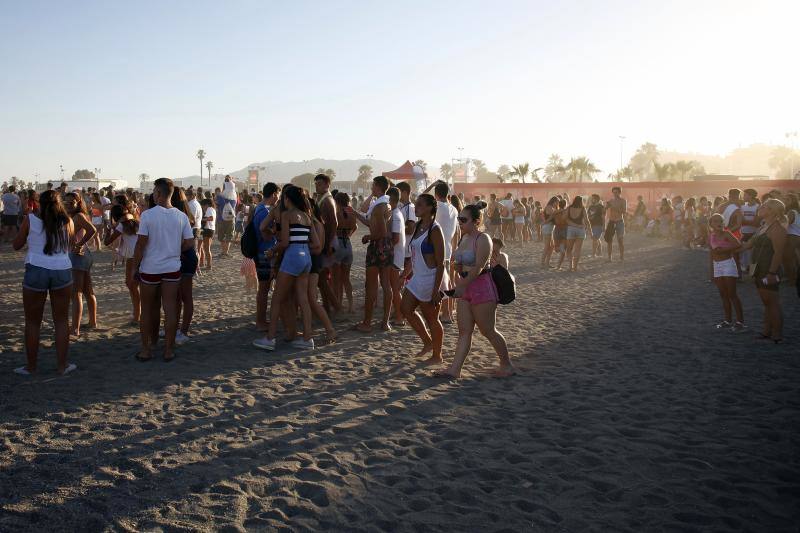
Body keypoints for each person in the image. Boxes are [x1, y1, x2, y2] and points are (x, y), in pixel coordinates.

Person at [434, 202, 514, 379]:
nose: (460, 222)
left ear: (476, 221)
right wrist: (457, 271)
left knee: (488, 330)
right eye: (458, 219)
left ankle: (506, 364)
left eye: (463, 219)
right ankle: (455, 370)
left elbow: (479, 267)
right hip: (466, 288)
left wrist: (460, 286)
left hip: (482, 289)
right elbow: (459, 263)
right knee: (464, 331)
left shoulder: (483, 239)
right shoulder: (464, 238)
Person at [12, 190, 76, 375]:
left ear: (40, 203)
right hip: (62, 270)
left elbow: (16, 245)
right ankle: (62, 366)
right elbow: (69, 246)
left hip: (36, 269)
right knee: (62, 321)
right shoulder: (68, 221)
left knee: (33, 322)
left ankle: (31, 366)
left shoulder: (31, 220)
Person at [132, 178, 195, 362]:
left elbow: (140, 244)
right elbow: (190, 242)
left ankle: (146, 349)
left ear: (158, 193)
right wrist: (175, 249)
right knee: (170, 309)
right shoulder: (181, 216)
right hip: (172, 268)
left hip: (151, 268)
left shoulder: (148, 215)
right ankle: (168, 349)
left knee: (148, 309)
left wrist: (135, 267)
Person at [253, 185, 319, 351]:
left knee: (277, 298)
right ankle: (307, 339)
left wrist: (272, 250)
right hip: (306, 258)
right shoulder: (307, 216)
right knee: (303, 300)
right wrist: (302, 248)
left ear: (287, 199)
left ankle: (270, 338)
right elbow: (317, 244)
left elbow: (284, 242)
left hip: (292, 256)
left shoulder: (287, 215)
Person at [400, 193, 445, 364]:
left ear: (429, 208)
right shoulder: (419, 225)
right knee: (405, 309)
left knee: (432, 318)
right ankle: (427, 342)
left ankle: (437, 355)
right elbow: (415, 255)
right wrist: (404, 274)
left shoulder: (435, 229)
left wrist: (436, 290)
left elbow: (441, 263)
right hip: (417, 277)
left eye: (419, 205)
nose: (416, 207)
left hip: (431, 279)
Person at [736, 198, 787, 343]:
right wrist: (726, 246)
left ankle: (777, 334)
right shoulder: (763, 226)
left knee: (772, 302)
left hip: (768, 269)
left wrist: (772, 273)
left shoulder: (778, 229)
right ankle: (766, 331)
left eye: (764, 206)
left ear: (771, 210)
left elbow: (778, 253)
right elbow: (748, 245)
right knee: (767, 303)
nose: (760, 208)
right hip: (758, 268)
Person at [351, 176, 394, 332]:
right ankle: (385, 322)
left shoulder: (378, 206)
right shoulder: (387, 204)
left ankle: (367, 323)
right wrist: (356, 215)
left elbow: (379, 231)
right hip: (387, 246)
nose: (371, 188)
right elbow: (374, 224)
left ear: (377, 187)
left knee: (371, 286)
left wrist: (368, 237)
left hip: (377, 246)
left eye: (373, 186)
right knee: (386, 285)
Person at [64, 192, 98, 338]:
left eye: (72, 202)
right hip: (83, 256)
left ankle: (75, 329)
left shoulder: (78, 216)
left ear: (78, 202)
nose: (68, 205)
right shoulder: (74, 216)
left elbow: (93, 230)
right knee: (87, 291)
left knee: (76, 293)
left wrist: (79, 244)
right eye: (66, 202)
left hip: (77, 256)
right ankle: (92, 322)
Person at [708, 214, 745, 331]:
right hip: (717, 265)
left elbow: (738, 244)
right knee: (723, 294)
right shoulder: (710, 236)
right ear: (711, 224)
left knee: (732, 294)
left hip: (728, 264)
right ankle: (727, 320)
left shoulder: (727, 234)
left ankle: (740, 322)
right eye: (715, 221)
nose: (719, 223)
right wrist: (712, 271)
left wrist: (724, 250)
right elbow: (711, 253)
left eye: (721, 221)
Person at [104, 204, 140, 324]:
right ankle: (137, 312)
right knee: (132, 284)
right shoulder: (135, 220)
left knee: (132, 285)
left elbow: (107, 242)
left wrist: (108, 230)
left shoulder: (121, 225)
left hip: (132, 256)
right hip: (140, 254)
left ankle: (137, 315)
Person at [172, 188, 199, 345]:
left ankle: (183, 331)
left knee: (185, 296)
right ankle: (176, 328)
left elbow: (187, 242)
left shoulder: (182, 218)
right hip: (183, 256)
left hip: (185, 257)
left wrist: (174, 250)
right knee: (176, 297)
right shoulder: (184, 216)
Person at [430, 181, 459, 322]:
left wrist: (430, 186)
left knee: (443, 282)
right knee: (447, 281)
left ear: (436, 194)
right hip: (448, 248)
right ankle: (447, 312)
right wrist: (454, 249)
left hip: (438, 250)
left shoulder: (437, 206)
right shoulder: (454, 209)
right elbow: (456, 232)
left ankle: (447, 313)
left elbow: (420, 200)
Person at [313, 174, 340, 315]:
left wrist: (328, 243)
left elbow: (334, 222)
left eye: (320, 184)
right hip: (326, 240)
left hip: (327, 241)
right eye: (316, 183)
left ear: (327, 185)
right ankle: (329, 307)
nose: (317, 186)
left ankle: (335, 307)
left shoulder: (327, 200)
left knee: (322, 278)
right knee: (322, 279)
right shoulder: (322, 199)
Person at [254, 182, 279, 331]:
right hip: (265, 252)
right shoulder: (264, 211)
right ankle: (261, 321)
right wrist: (275, 231)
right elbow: (265, 235)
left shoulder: (259, 208)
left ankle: (261, 320)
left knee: (263, 288)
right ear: (275, 194)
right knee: (264, 289)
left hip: (262, 251)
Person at [332, 192, 356, 313]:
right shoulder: (351, 213)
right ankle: (351, 305)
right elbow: (355, 227)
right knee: (346, 279)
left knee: (336, 279)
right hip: (348, 244)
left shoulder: (336, 213)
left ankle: (339, 304)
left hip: (338, 243)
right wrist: (349, 234)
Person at [388, 187, 406, 326]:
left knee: (394, 289)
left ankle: (399, 317)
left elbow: (395, 239)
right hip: (397, 256)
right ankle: (398, 315)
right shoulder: (397, 212)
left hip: (395, 256)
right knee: (394, 288)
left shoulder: (395, 214)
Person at [564, 196, 590, 271]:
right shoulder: (582, 208)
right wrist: (589, 229)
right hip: (580, 229)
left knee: (569, 249)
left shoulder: (569, 208)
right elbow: (586, 220)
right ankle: (575, 267)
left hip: (571, 229)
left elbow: (565, 218)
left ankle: (570, 266)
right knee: (577, 250)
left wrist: (572, 224)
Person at [605, 186, 627, 261]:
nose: (615, 194)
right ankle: (609, 258)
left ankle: (622, 257)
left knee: (620, 240)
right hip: (611, 221)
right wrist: (606, 206)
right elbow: (605, 209)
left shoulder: (623, 201)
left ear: (619, 192)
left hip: (619, 221)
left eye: (616, 192)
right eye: (613, 192)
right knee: (609, 240)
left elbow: (624, 211)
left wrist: (614, 207)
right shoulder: (611, 200)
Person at [186, 189, 204, 270]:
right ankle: (197, 267)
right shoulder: (195, 204)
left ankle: (196, 267)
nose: (186, 196)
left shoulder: (192, 205)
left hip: (193, 228)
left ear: (192, 196)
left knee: (194, 250)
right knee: (195, 249)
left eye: (187, 195)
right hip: (196, 228)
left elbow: (191, 219)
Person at [540, 196, 559, 267]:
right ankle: (542, 263)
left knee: (552, 246)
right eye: (556, 202)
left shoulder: (552, 208)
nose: (557, 204)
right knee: (547, 246)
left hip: (550, 228)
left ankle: (547, 263)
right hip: (547, 227)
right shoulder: (549, 207)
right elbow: (550, 218)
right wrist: (554, 214)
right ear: (553, 201)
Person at [200, 198, 215, 270]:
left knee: (207, 249)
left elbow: (211, 218)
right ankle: (206, 264)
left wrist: (201, 219)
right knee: (206, 248)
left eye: (203, 206)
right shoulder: (212, 209)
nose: (203, 207)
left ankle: (209, 265)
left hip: (208, 229)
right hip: (211, 229)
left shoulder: (209, 209)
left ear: (206, 205)